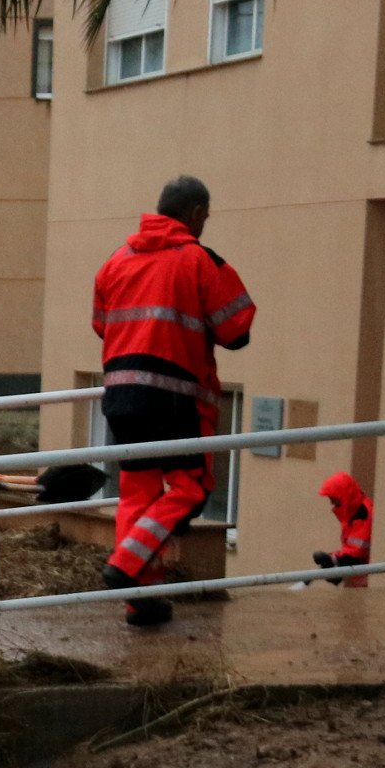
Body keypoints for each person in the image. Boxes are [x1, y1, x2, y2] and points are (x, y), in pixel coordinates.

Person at [91, 175, 256, 627]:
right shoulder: (201, 260)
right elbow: (237, 331)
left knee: (137, 494)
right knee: (191, 487)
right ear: (197, 214)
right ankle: (126, 565)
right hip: (174, 399)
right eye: (206, 217)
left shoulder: (115, 261)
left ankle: (142, 601)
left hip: (120, 395)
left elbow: (102, 326)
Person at [315, 471, 374, 588]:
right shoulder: (353, 512)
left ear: (343, 496)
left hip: (367, 581)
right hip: (361, 581)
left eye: (333, 498)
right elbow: (352, 549)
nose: (331, 502)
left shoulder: (362, 513)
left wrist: (334, 560)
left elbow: (357, 551)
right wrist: (334, 559)